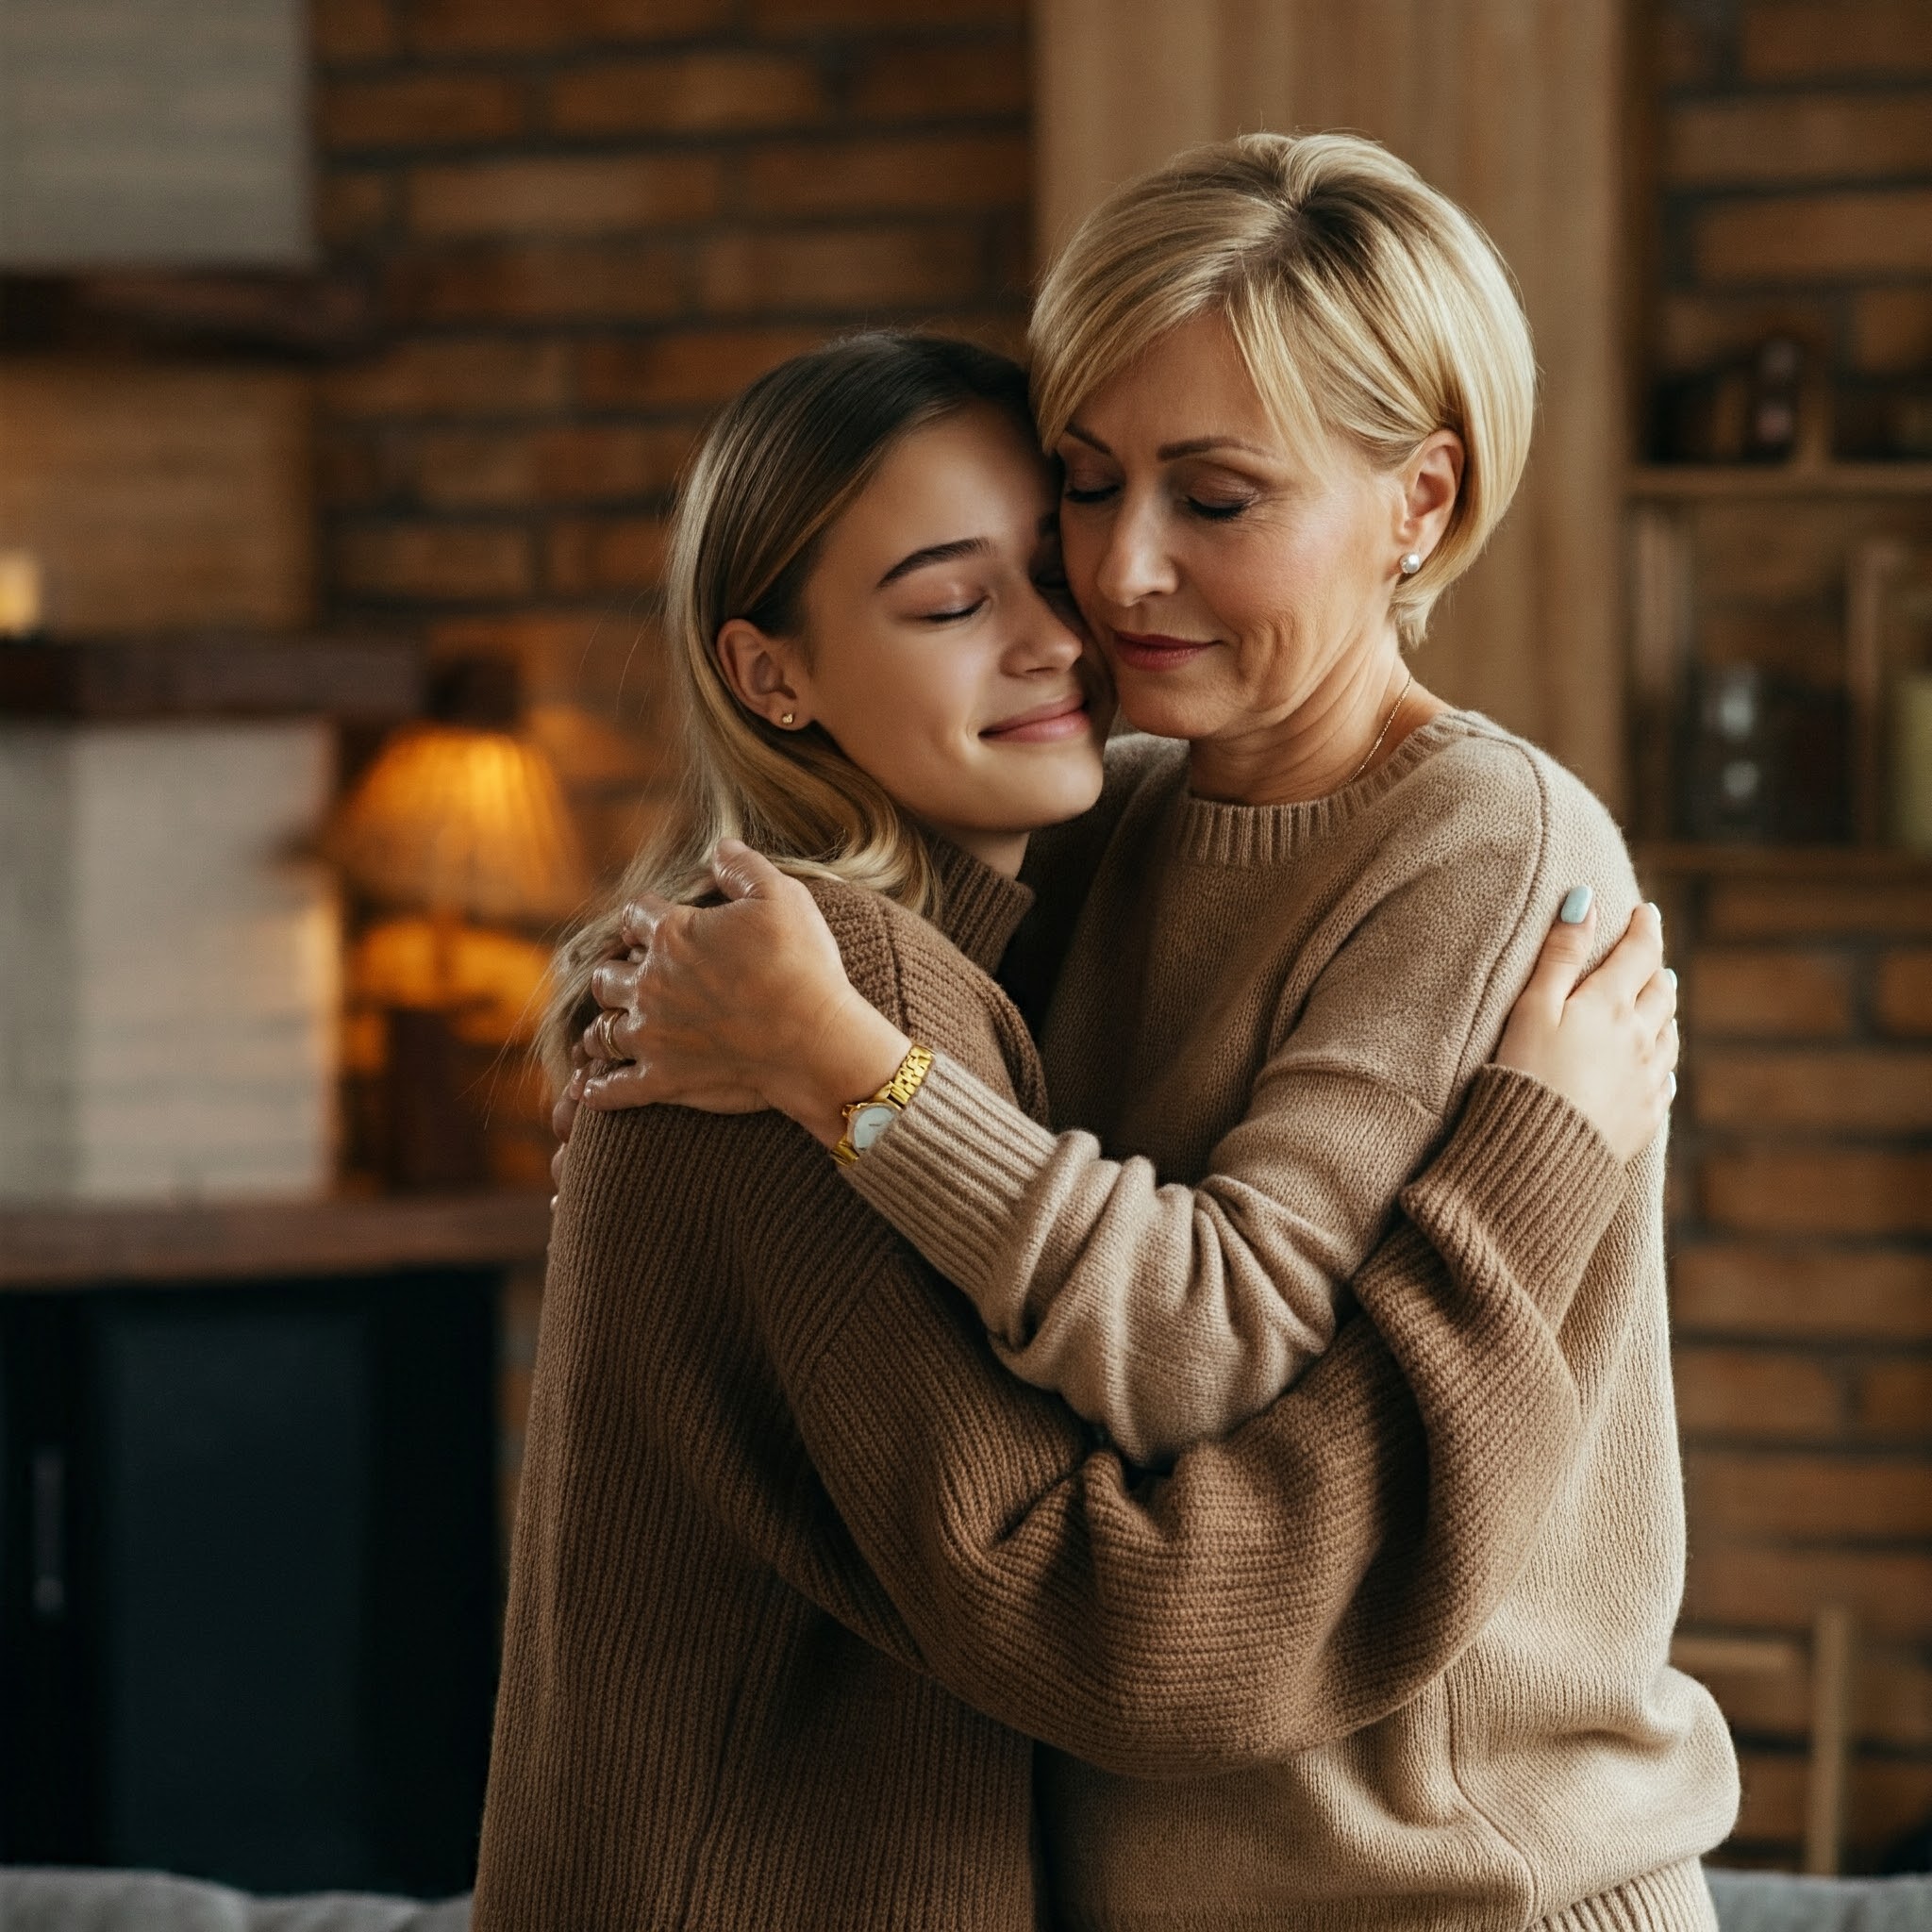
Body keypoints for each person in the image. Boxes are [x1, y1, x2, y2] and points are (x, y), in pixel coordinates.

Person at [571, 135, 1739, 1930]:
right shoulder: (1104, 810)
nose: (1119, 575)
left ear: (1418, 503)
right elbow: (863, 945)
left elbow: (1220, 1348)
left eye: (1215, 499)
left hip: (1456, 1898)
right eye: (1087, 489)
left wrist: (846, 1080)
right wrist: (648, 983)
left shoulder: (1485, 845)